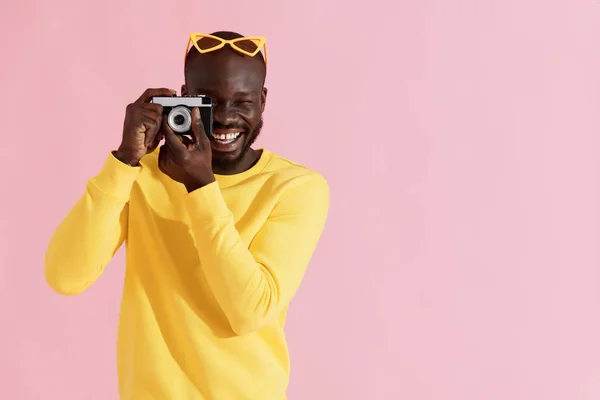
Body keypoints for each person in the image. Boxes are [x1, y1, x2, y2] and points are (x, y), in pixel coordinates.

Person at [44, 30, 330, 399]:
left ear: (262, 100)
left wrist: (201, 186)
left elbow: (250, 312)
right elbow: (65, 276)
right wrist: (123, 162)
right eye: (210, 101)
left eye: (242, 101)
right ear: (185, 97)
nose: (226, 119)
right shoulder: (139, 174)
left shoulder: (294, 187)